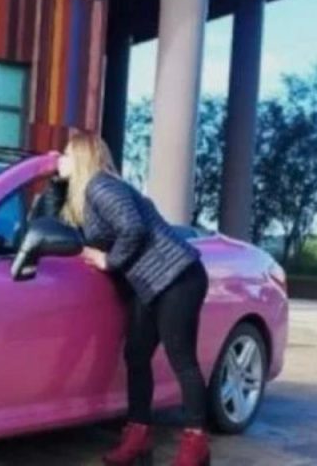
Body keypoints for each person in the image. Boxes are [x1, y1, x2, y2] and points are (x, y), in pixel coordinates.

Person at [56, 132, 211, 466]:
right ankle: (138, 437)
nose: (60, 159)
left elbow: (133, 228)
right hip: (147, 283)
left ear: (81, 158)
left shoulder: (100, 186)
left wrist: (109, 261)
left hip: (177, 276)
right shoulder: (87, 192)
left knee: (182, 359)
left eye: (66, 154)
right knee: (136, 355)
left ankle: (196, 444)